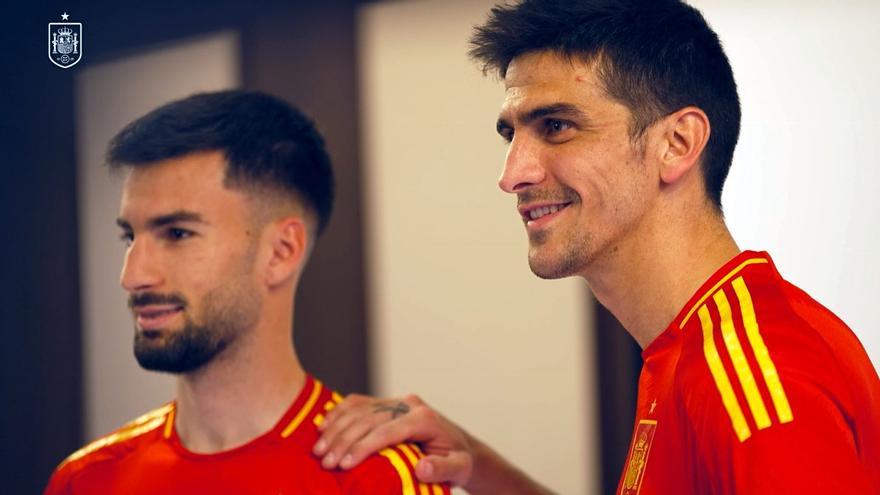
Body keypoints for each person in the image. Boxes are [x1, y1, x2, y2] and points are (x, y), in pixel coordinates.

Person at [312, 1, 880, 494]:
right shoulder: (691, 347)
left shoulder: (754, 375)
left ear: (677, 144)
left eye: (556, 125)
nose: (512, 175)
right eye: (512, 134)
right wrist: (476, 466)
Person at [44, 90, 449, 495]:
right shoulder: (85, 479)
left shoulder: (384, 477)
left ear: (280, 252)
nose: (132, 275)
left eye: (177, 234)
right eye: (129, 236)